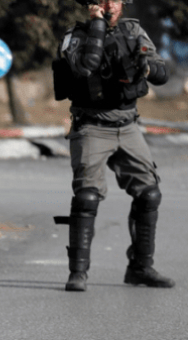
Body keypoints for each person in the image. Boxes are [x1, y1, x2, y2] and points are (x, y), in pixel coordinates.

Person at [52, 0, 175, 291]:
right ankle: (78, 273)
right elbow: (85, 66)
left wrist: (145, 67)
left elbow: (161, 73)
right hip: (92, 125)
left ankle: (141, 268)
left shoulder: (134, 30)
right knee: (87, 197)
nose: (111, 5)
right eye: (103, 0)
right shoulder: (75, 35)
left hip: (128, 124)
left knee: (149, 194)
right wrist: (97, 25)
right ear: (92, 4)